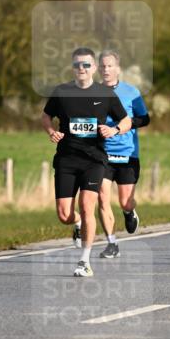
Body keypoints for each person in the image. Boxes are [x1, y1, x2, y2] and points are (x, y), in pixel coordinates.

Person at [41, 47, 130, 277]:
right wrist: (51, 131)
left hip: (94, 159)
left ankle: (84, 261)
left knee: (88, 205)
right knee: (64, 215)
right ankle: (78, 223)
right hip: (66, 159)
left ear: (93, 68)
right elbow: (45, 115)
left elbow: (126, 119)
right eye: (77, 65)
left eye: (86, 65)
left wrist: (114, 129)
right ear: (73, 67)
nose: (82, 69)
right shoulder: (62, 92)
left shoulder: (105, 93)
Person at [97, 50, 150, 258]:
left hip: (127, 153)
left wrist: (124, 125)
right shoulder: (93, 92)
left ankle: (129, 212)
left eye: (110, 66)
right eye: (102, 66)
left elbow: (145, 119)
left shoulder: (131, 92)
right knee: (102, 197)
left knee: (125, 201)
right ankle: (111, 243)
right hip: (101, 153)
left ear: (118, 69)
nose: (106, 70)